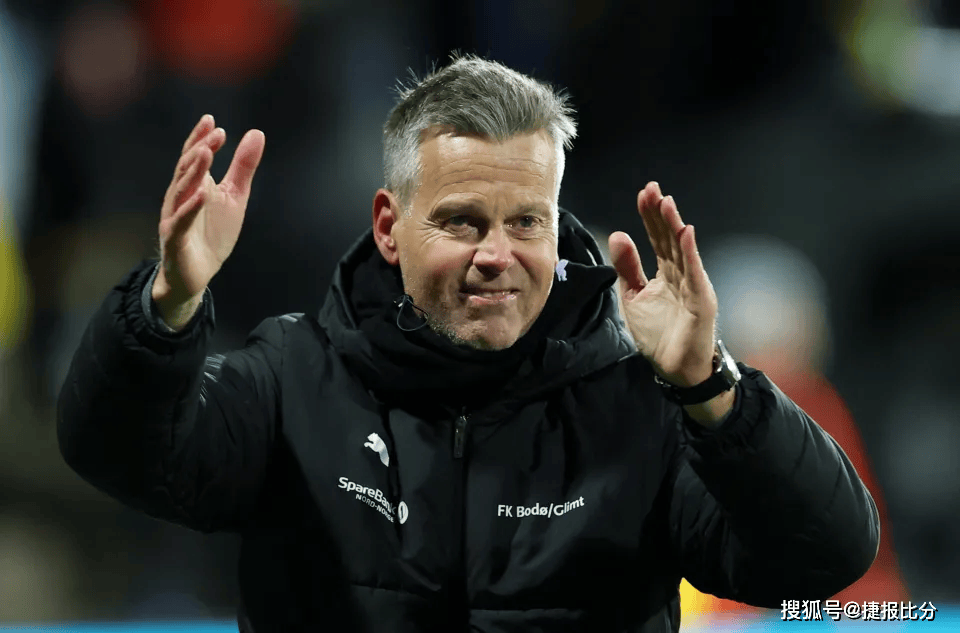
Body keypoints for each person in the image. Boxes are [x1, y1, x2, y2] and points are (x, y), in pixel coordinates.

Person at [57, 54, 879, 633]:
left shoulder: (643, 404)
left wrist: (710, 387)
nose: (497, 254)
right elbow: (113, 448)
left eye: (526, 222)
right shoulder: (292, 377)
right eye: (461, 221)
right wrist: (167, 303)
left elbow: (824, 558)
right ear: (389, 226)